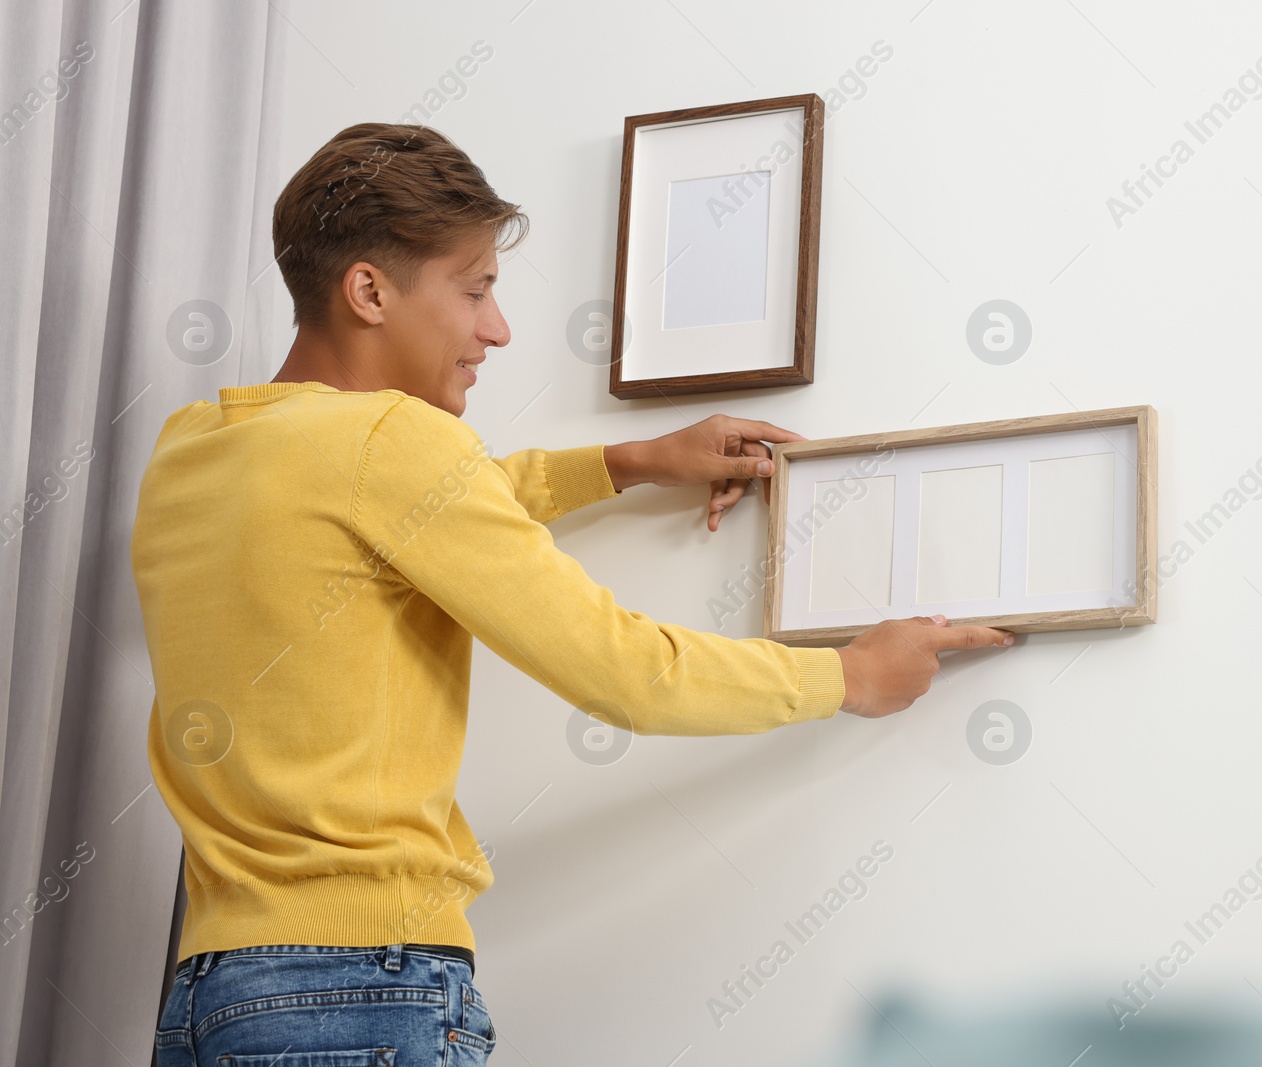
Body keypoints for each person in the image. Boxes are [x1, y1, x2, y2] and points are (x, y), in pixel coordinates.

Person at [135, 122, 1015, 1065]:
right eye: (475, 291)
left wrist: (626, 460)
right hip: (361, 986)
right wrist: (848, 676)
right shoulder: (392, 444)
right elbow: (623, 671)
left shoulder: (193, 450)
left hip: (206, 995)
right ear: (368, 291)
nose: (497, 329)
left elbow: (387, 518)